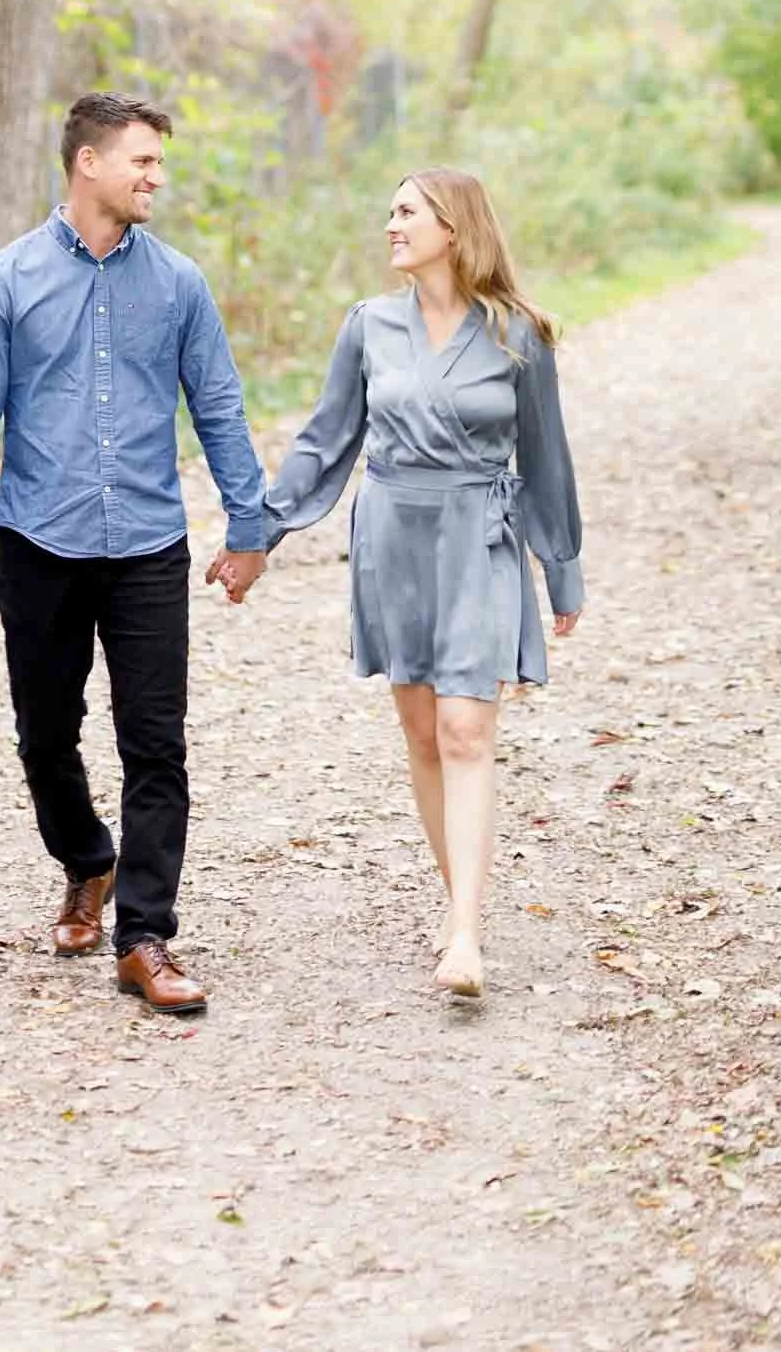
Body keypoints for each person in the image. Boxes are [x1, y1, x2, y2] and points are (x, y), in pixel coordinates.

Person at [212, 166, 583, 1002]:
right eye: (388, 211)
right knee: (421, 732)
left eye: (406, 212)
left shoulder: (520, 335)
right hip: (393, 535)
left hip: (478, 537)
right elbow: (324, 441)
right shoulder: (368, 326)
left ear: (453, 226)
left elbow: (546, 455)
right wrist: (257, 534)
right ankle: (462, 903)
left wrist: (561, 569)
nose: (390, 225)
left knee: (464, 729)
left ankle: (463, 934)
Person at [0, 92, 268, 1016]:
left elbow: (219, 408)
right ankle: (88, 860)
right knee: (45, 737)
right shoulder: (5, 281)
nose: (157, 177)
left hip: (149, 549)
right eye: (143, 161)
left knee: (155, 743)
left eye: (160, 162)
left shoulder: (178, 284)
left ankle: (146, 936)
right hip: (38, 541)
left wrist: (250, 528)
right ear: (89, 164)